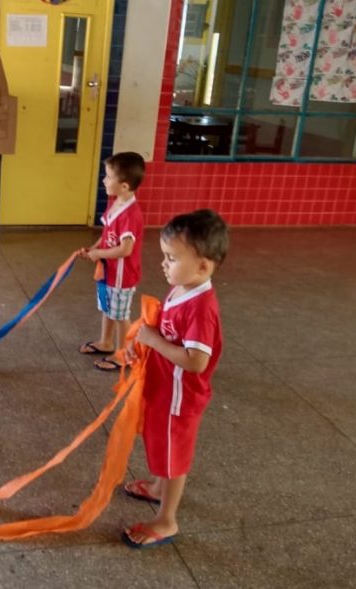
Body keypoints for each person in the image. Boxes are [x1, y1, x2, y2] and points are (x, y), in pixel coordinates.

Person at [121, 209, 229, 548]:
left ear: (203, 267)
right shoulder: (182, 288)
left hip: (180, 400)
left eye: (171, 258)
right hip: (164, 389)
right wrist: (140, 344)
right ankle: (158, 487)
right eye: (164, 256)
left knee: (174, 457)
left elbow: (196, 361)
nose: (164, 264)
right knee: (160, 446)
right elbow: (162, 331)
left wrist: (154, 341)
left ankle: (167, 520)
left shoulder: (200, 308)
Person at [79, 151, 145, 371]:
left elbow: (126, 249)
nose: (104, 180)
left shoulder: (130, 215)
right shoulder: (115, 204)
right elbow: (107, 233)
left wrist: (99, 254)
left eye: (108, 177)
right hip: (108, 272)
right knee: (108, 308)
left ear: (124, 186)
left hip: (121, 276)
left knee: (120, 316)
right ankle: (106, 342)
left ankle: (124, 354)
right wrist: (94, 248)